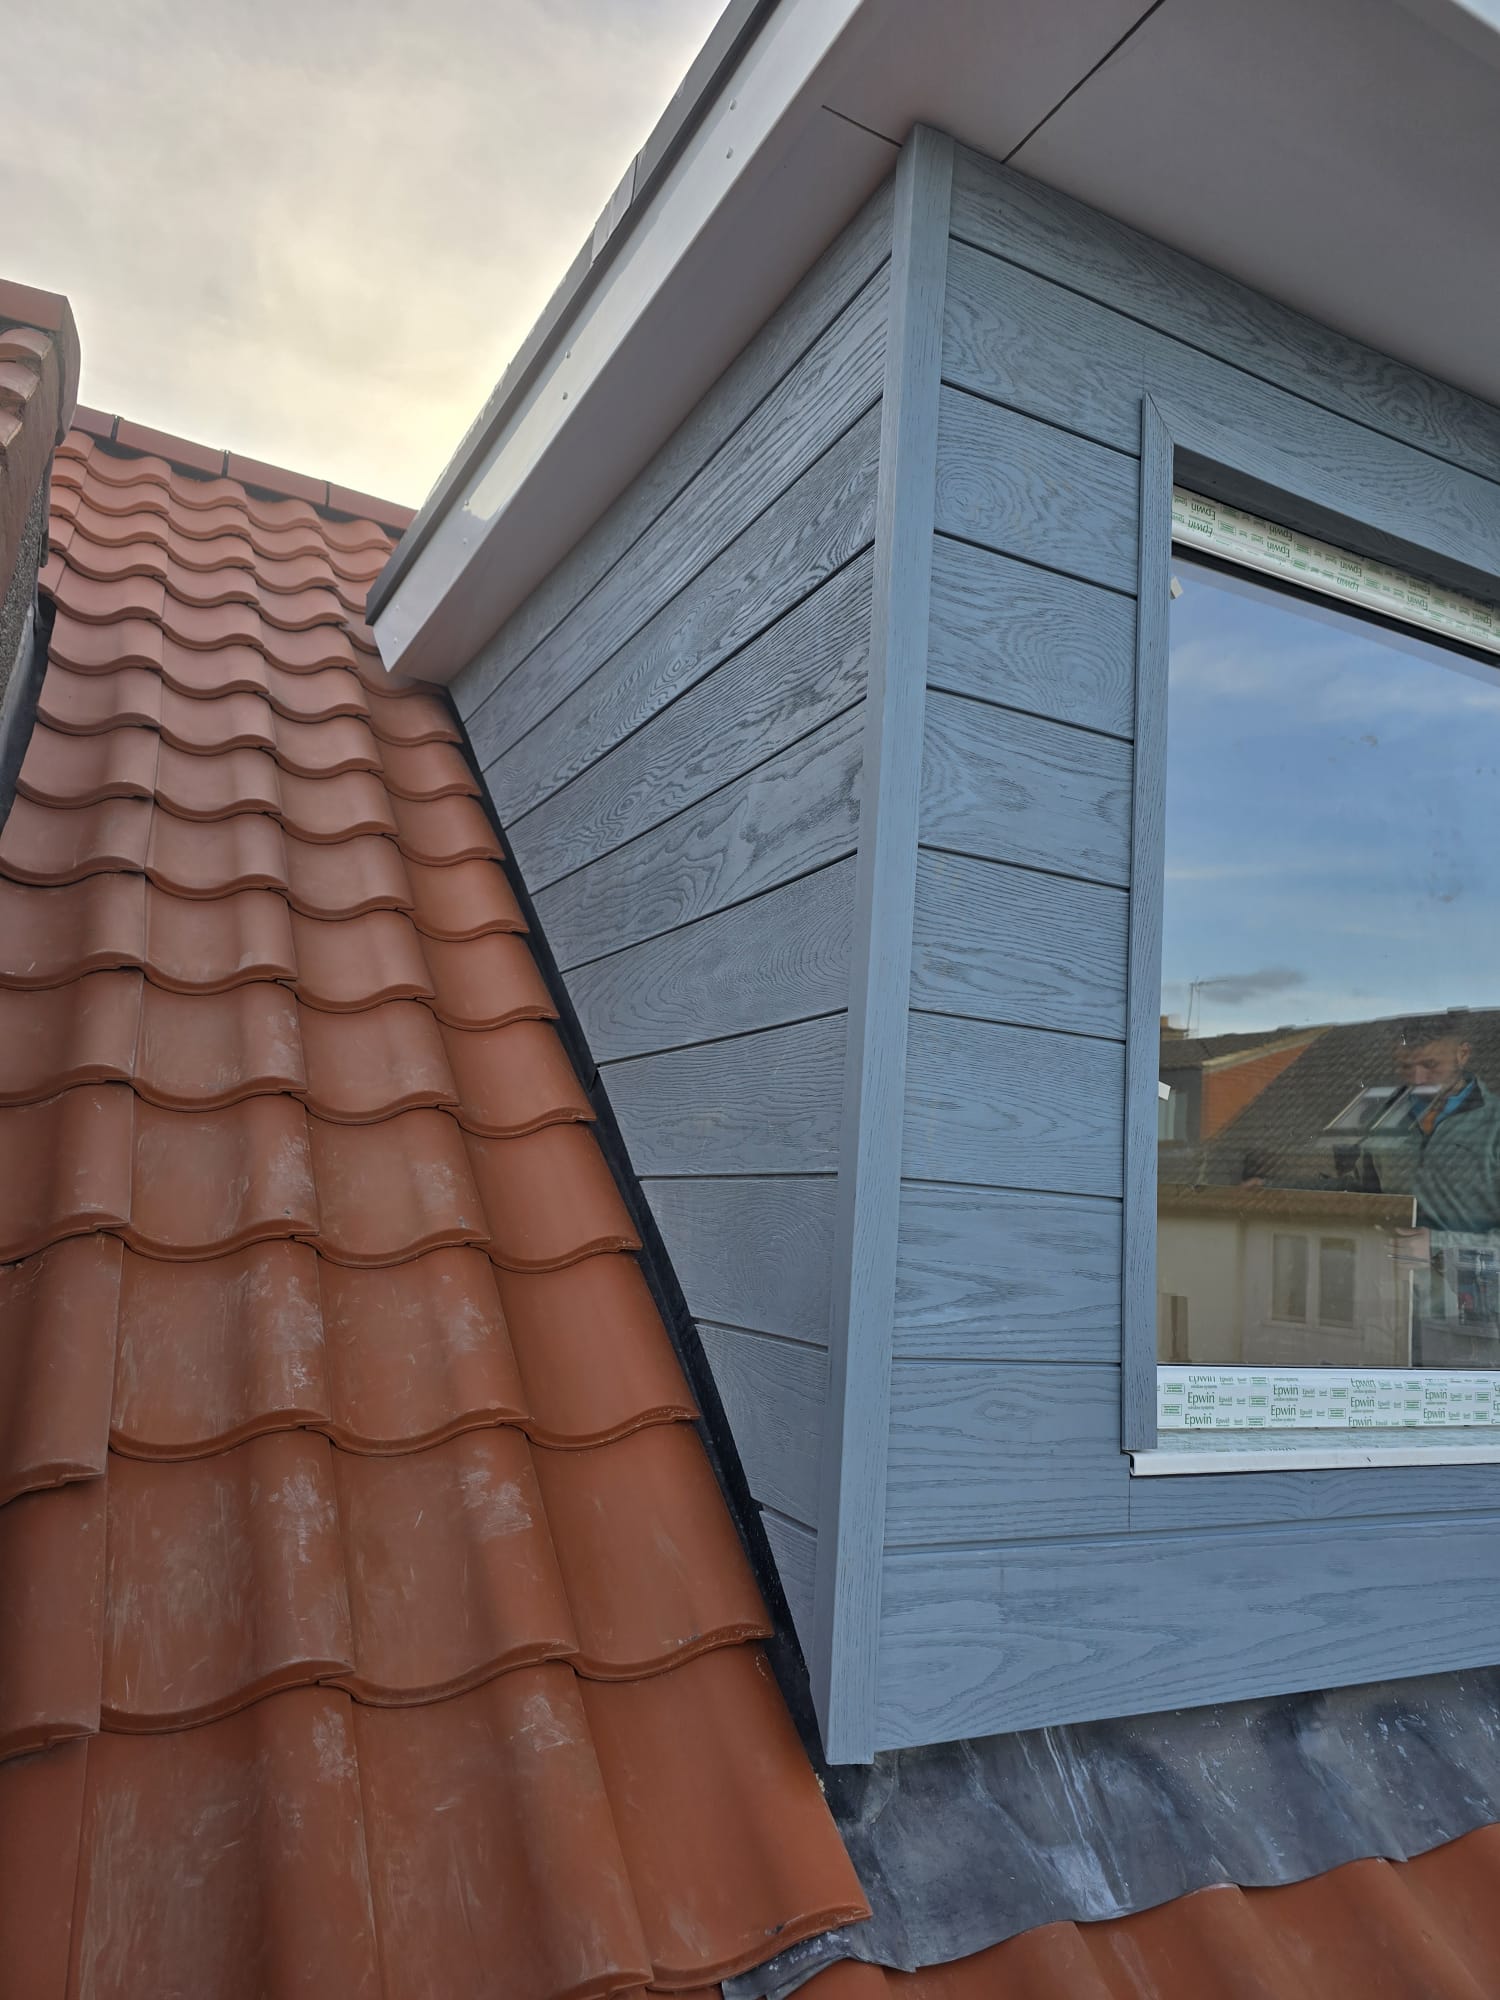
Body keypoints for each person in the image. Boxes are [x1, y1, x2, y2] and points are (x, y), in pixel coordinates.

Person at [1377, 1017, 1500, 1235]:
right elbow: (1361, 1189)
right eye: (1406, 1066)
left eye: (1430, 1065)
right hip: (1385, 1261)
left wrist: (1439, 1248)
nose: (1418, 1079)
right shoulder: (1381, 1116)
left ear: (1463, 1054)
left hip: (1462, 1268)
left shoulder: (1495, 1124)